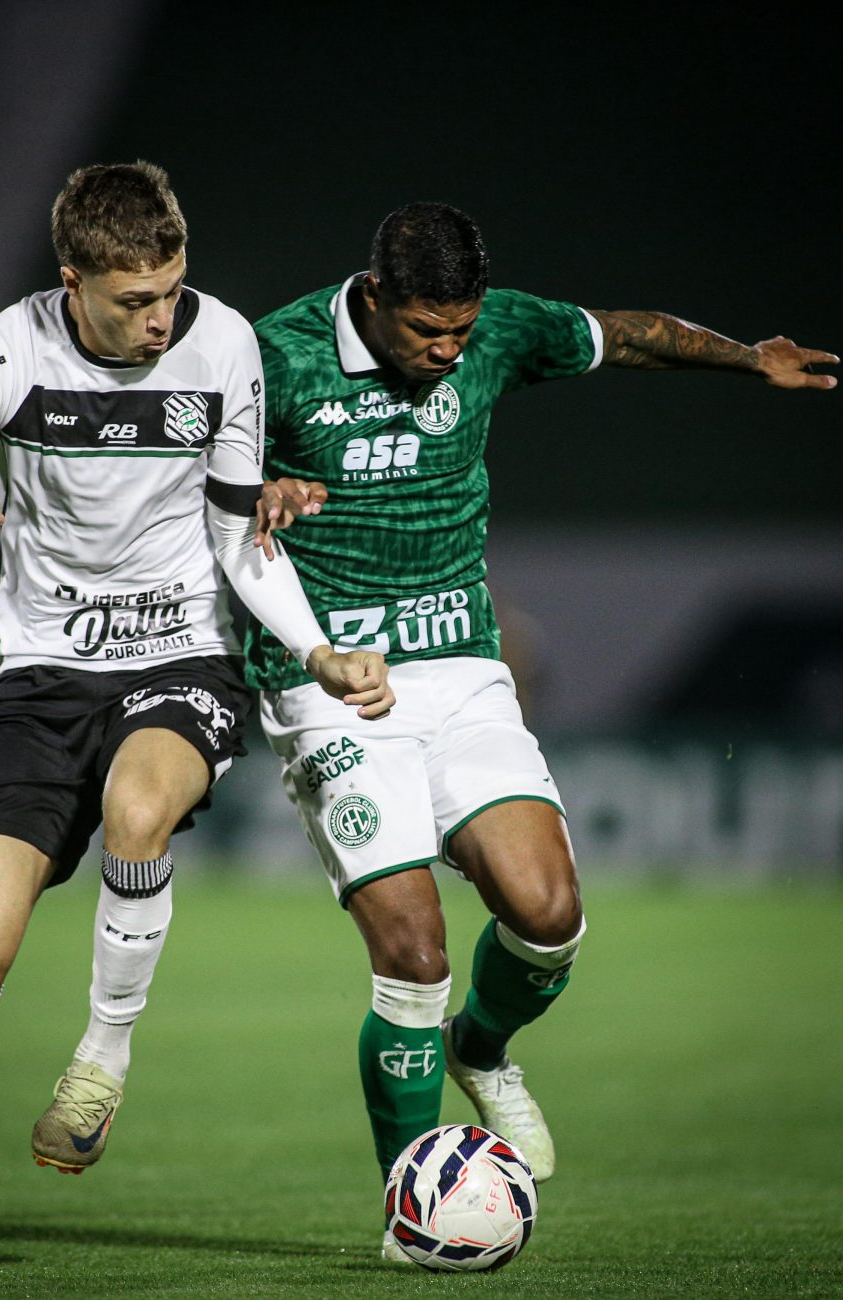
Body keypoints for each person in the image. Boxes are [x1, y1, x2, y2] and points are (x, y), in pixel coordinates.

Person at [242, 201, 838, 1261]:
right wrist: (256, 494)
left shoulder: (497, 329)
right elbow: (192, 480)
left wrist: (750, 361)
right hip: (331, 680)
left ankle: (484, 1048)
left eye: (460, 333)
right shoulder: (273, 355)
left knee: (548, 914)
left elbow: (632, 334)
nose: (445, 352)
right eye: (426, 331)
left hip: (463, 670)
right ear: (373, 298)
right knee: (413, 954)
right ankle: (409, 1203)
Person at [0, 160, 394, 1264]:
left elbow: (236, 535)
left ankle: (103, 1055)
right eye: (131, 301)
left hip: (182, 656)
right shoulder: (2, 352)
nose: (159, 318)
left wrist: (314, 648)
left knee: (138, 807)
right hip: (43, 680)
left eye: (170, 290)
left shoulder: (222, 344)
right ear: (73, 281)